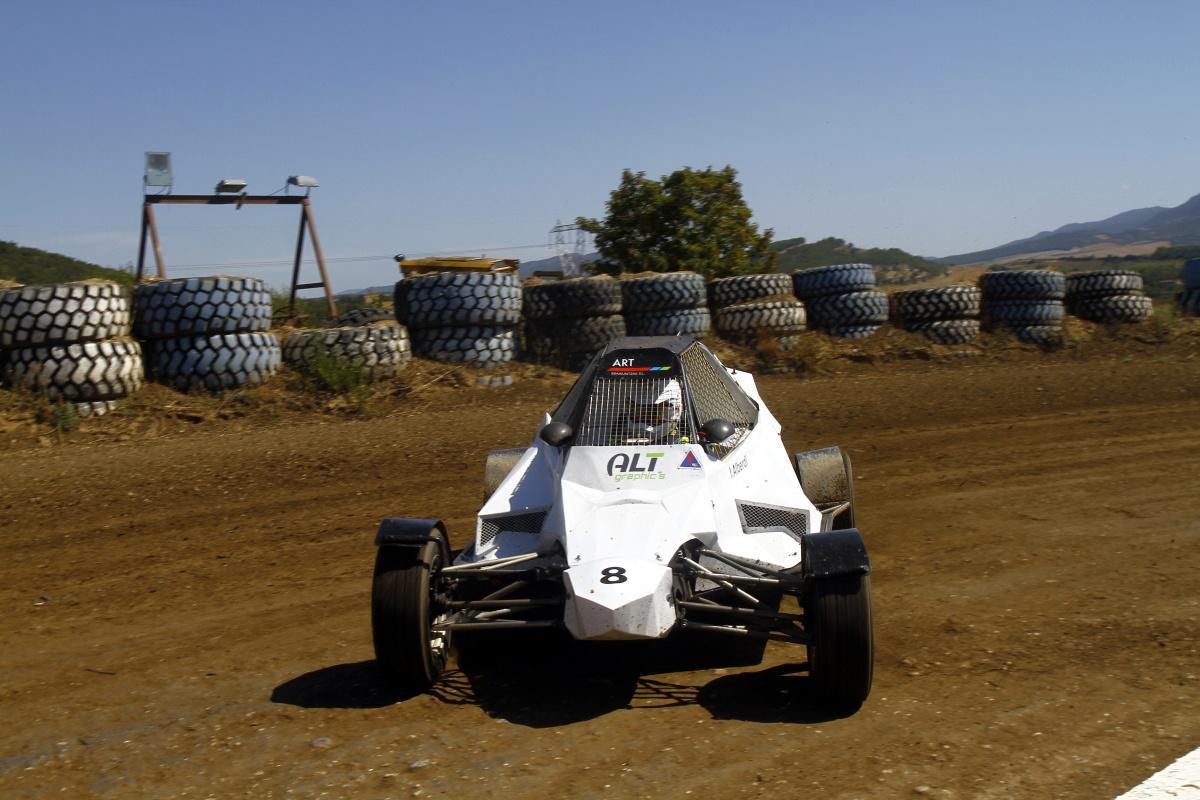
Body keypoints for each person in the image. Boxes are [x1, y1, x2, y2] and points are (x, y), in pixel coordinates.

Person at [616, 378, 685, 444]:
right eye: (638, 412)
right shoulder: (620, 427)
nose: (644, 418)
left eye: (653, 412)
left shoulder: (683, 440)